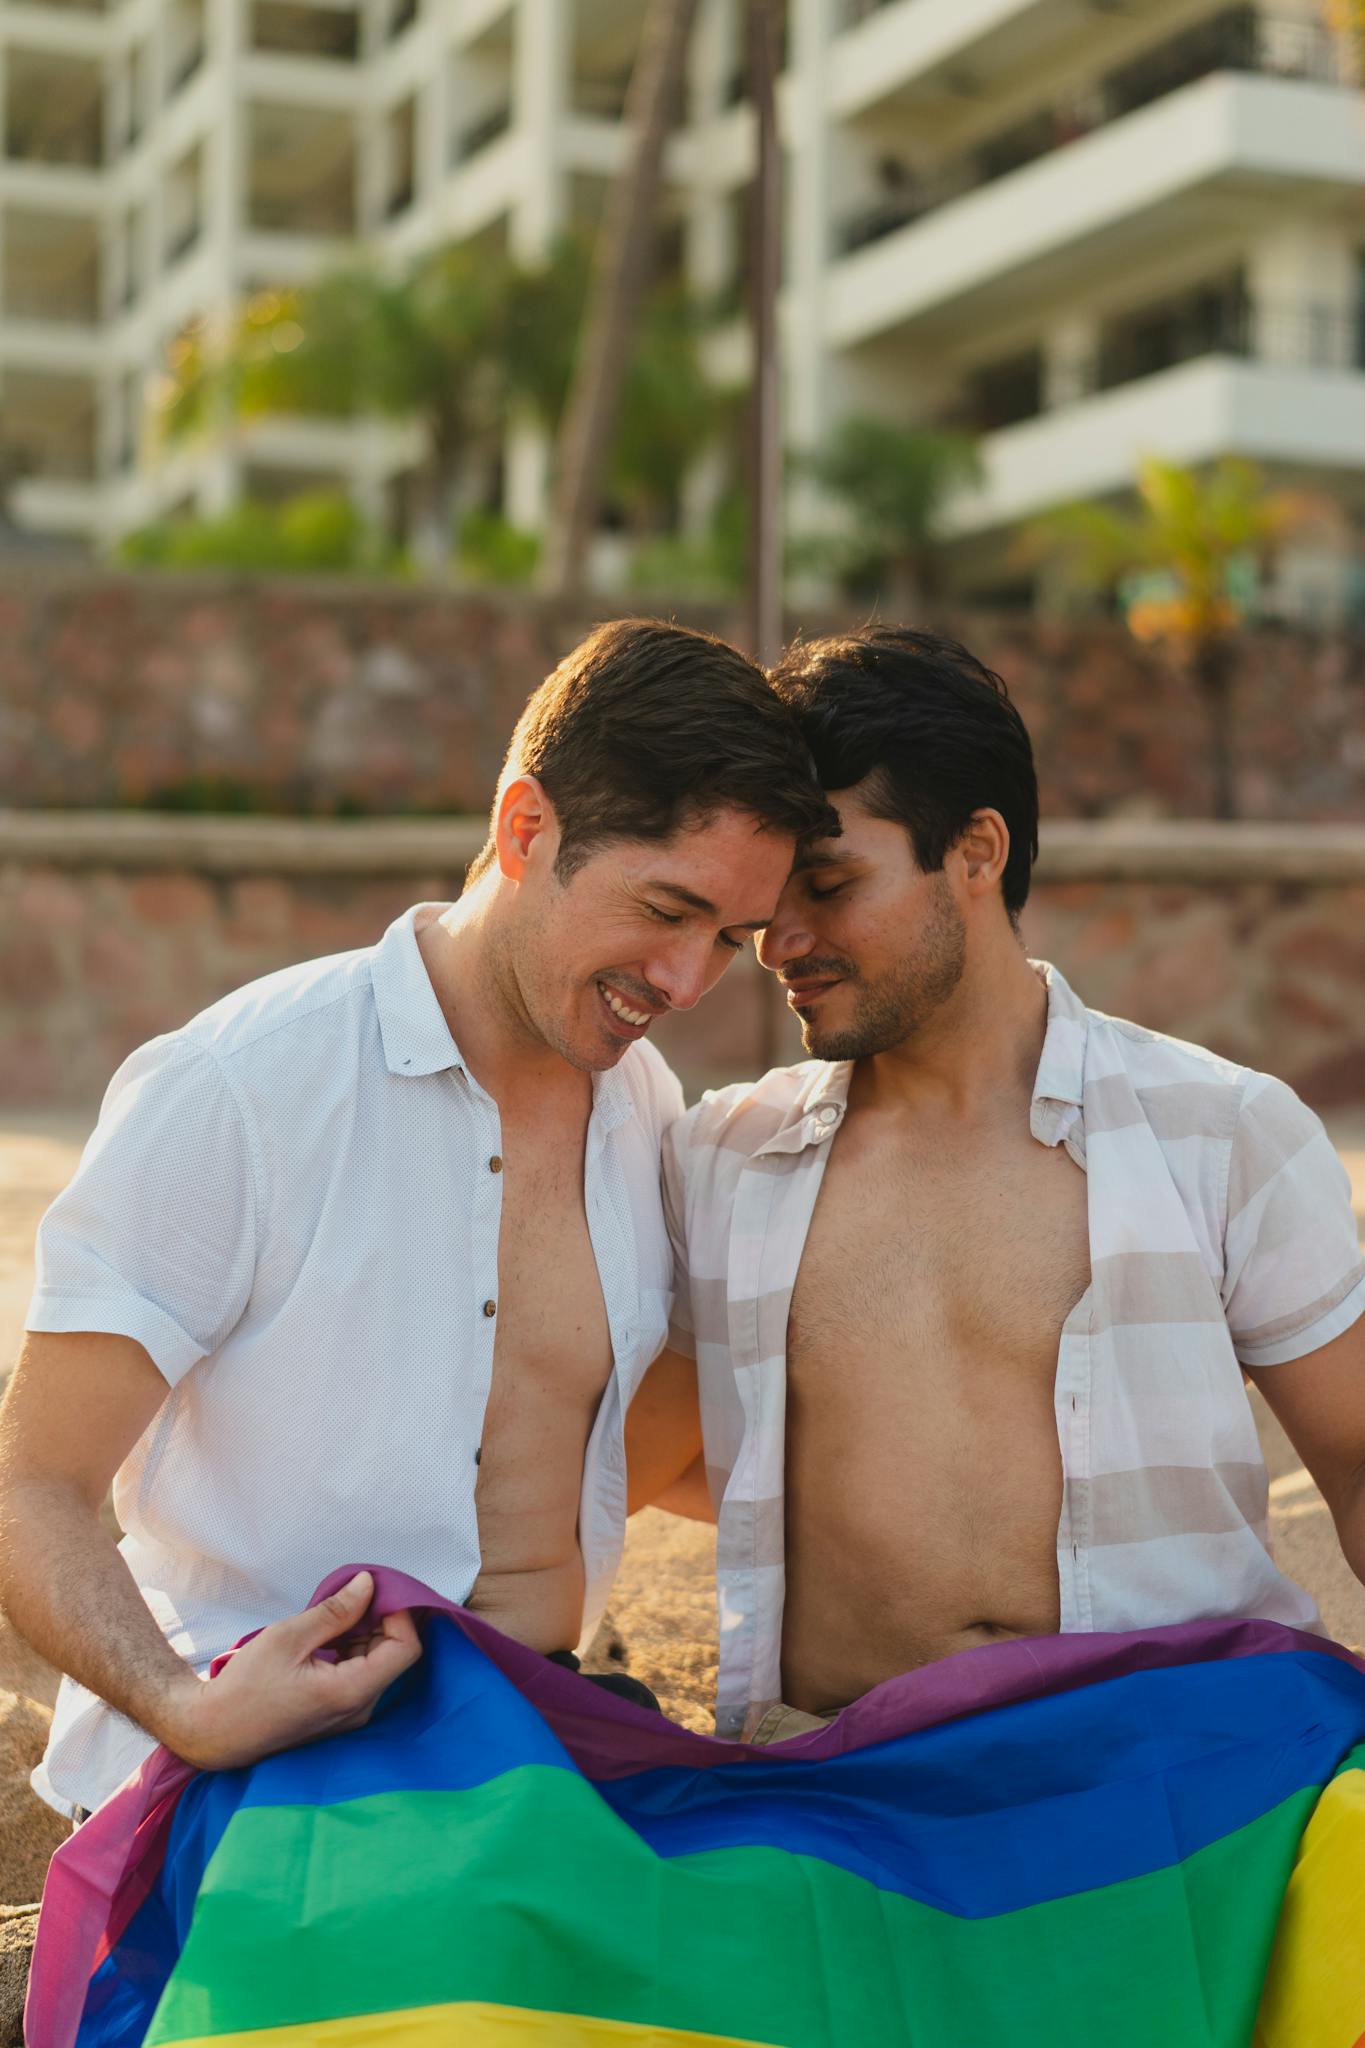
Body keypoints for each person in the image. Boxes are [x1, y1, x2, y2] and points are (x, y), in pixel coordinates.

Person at [0, 617, 833, 1818]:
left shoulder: (647, 1112)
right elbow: (34, 1481)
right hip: (262, 1742)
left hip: (535, 1730)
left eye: (730, 940)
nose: (690, 981)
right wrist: (186, 1708)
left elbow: (680, 1446)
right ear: (525, 827)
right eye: (668, 908)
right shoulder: (241, 1085)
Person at [632, 626, 1365, 1744]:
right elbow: (641, 1457)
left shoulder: (1221, 1131)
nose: (780, 938)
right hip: (844, 1787)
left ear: (976, 851)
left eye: (827, 884)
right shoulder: (723, 1158)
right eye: (769, 899)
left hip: (1184, 1770)